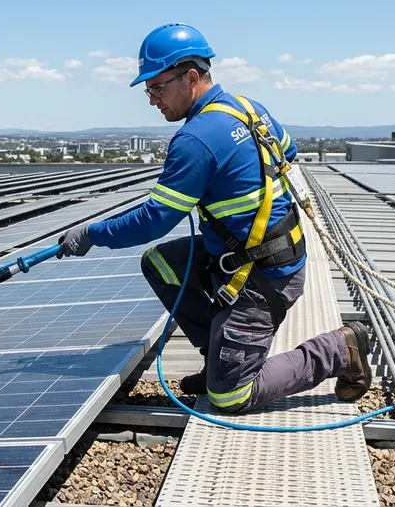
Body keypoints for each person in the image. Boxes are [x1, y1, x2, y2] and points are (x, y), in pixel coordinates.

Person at [56, 23, 371, 414]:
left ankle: (340, 349)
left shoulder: (196, 139)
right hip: (266, 252)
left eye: (156, 87)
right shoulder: (250, 108)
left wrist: (92, 233)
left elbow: (154, 219)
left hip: (261, 274)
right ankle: (221, 356)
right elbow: (287, 155)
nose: (153, 100)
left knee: (229, 396)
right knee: (161, 263)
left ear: (190, 77)